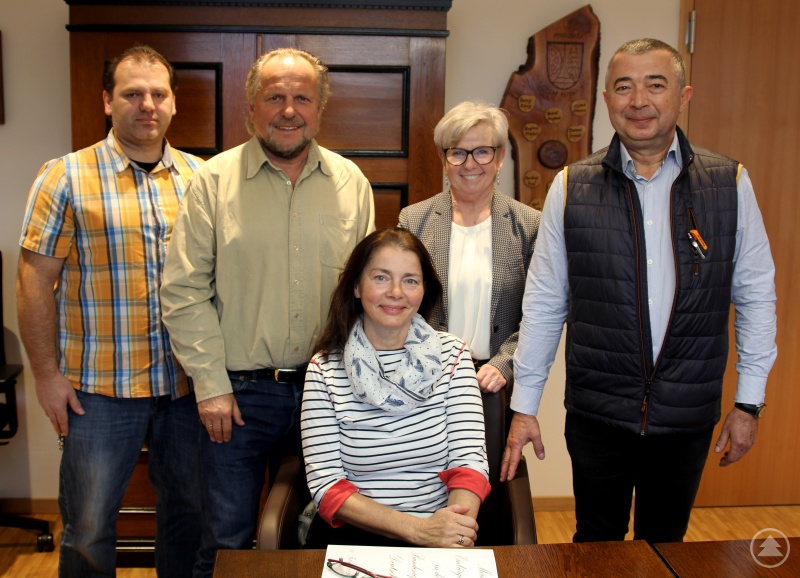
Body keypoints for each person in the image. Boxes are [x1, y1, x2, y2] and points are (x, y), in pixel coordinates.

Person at [501, 38, 777, 543]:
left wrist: (749, 403)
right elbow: (543, 305)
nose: (639, 101)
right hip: (598, 413)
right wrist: (525, 407)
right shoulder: (571, 186)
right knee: (596, 544)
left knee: (664, 544)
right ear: (607, 99)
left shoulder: (729, 183)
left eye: (656, 84)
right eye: (624, 87)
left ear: (683, 95)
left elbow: (756, 297)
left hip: (686, 415)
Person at [159, 47, 375, 576]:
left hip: (330, 394)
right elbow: (184, 291)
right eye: (274, 97)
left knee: (321, 532)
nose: (288, 110)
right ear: (250, 109)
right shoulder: (212, 182)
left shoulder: (353, 184)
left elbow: (368, 294)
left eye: (302, 97)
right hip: (236, 398)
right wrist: (209, 385)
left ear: (320, 108)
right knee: (227, 538)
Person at [16, 44, 203, 576]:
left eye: (158, 93)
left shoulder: (200, 178)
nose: (147, 104)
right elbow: (33, 279)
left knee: (188, 516)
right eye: (132, 93)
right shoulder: (65, 176)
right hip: (97, 392)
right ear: (106, 100)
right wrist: (47, 376)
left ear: (172, 103)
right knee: (90, 526)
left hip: (186, 387)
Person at [301, 228, 490, 549]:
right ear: (357, 287)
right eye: (380, 278)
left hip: (442, 530)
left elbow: (469, 462)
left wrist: (453, 527)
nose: (396, 292)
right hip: (354, 537)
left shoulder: (454, 355)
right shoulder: (325, 369)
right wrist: (417, 530)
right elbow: (327, 486)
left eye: (410, 280)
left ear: (423, 290)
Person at [399, 101, 540, 397]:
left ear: (500, 157)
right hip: (426, 380)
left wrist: (503, 365)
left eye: (482, 152)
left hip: (494, 385)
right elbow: (399, 304)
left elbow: (539, 314)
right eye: (458, 153)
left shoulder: (529, 225)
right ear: (443, 158)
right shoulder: (413, 220)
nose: (470, 164)